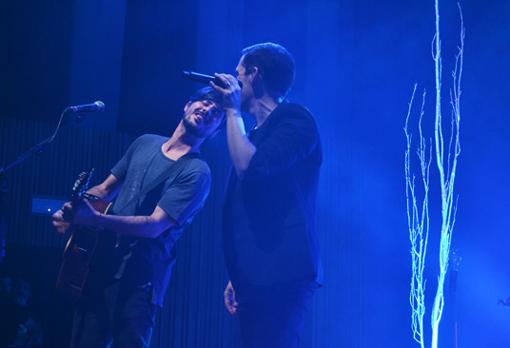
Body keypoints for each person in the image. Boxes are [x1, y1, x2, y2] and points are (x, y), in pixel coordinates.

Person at [52, 87, 225, 348]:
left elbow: (154, 226)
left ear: (215, 132)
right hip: (102, 265)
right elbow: (105, 189)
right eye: (204, 101)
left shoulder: (197, 172)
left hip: (141, 282)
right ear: (187, 105)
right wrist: (75, 208)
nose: (208, 109)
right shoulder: (145, 142)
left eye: (217, 113)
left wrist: (94, 220)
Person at [211, 42, 322, 347]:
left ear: (254, 75)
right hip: (255, 272)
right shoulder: (254, 135)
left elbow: (249, 167)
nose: (233, 81)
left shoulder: (296, 120)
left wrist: (233, 110)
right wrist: (239, 270)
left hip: (284, 270)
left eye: (238, 74)